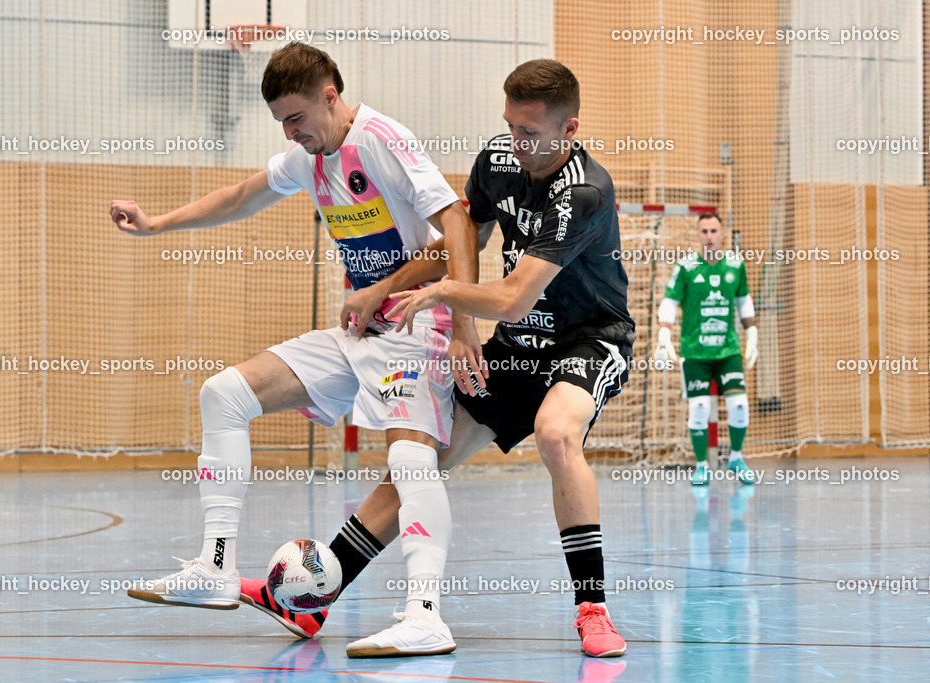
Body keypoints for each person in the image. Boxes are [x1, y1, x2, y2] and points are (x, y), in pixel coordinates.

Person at [244, 58, 634, 659]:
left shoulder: (584, 193)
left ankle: (593, 609)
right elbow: (457, 245)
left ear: (569, 129)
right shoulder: (498, 164)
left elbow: (508, 297)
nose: (517, 144)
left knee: (556, 434)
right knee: (418, 464)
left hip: (587, 340)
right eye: (510, 127)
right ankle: (319, 595)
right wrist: (386, 286)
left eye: (531, 134)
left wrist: (447, 301)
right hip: (518, 349)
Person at [109, 42, 480, 657]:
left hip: (418, 326)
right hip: (362, 330)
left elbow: (458, 225)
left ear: (330, 97)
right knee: (223, 394)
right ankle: (216, 569)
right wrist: (157, 225)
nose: (290, 132)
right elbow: (241, 195)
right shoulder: (310, 158)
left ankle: (425, 615)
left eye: (297, 118)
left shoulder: (383, 139)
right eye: (281, 121)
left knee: (412, 464)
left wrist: (464, 323)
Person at [652, 213, 758, 485]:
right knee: (699, 407)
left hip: (727, 351)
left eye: (714, 231)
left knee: (739, 405)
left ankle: (736, 457)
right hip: (695, 352)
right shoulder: (686, 267)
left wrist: (753, 332)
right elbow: (670, 302)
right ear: (698, 235)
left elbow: (744, 300)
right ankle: (701, 467)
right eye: (704, 231)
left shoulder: (735, 265)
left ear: (723, 234)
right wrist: (664, 331)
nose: (709, 236)